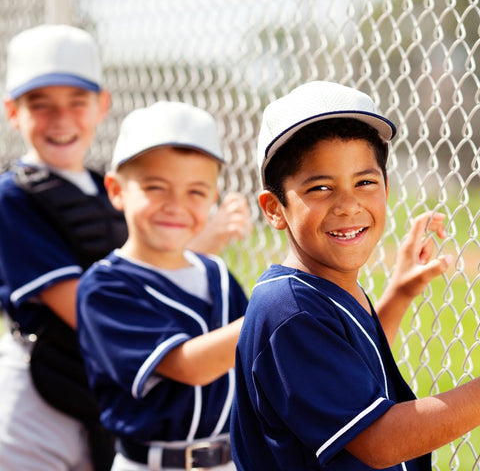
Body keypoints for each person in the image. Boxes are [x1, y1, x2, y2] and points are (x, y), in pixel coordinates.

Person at [0, 24, 251, 471]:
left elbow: (155, 265)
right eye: (41, 105)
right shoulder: (13, 196)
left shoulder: (99, 187)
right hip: (42, 388)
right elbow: (86, 307)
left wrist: (195, 247)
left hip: (115, 385)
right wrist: (203, 243)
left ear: (102, 105)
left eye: (77, 102)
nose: (61, 119)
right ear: (12, 112)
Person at [228, 80, 480, 471]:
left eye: (365, 182)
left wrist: (398, 294)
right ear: (275, 208)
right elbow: (380, 441)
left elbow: (349, 368)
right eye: (320, 187)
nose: (348, 205)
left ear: (387, 187)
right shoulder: (288, 311)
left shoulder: (321, 289)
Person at [76, 100, 248, 471]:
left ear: (213, 198)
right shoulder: (105, 287)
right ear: (116, 190)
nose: (176, 205)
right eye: (156, 187)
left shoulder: (217, 275)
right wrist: (279, 308)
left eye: (196, 192)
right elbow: (190, 367)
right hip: (150, 464)